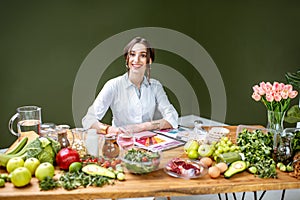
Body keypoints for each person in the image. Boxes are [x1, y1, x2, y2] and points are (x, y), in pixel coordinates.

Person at [82, 36, 178, 135]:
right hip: (120, 141)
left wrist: (142, 127)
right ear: (127, 58)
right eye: (132, 54)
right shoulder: (113, 85)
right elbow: (88, 119)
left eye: (143, 55)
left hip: (147, 142)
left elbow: (172, 117)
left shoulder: (155, 86)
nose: (136, 60)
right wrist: (109, 130)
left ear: (149, 61)